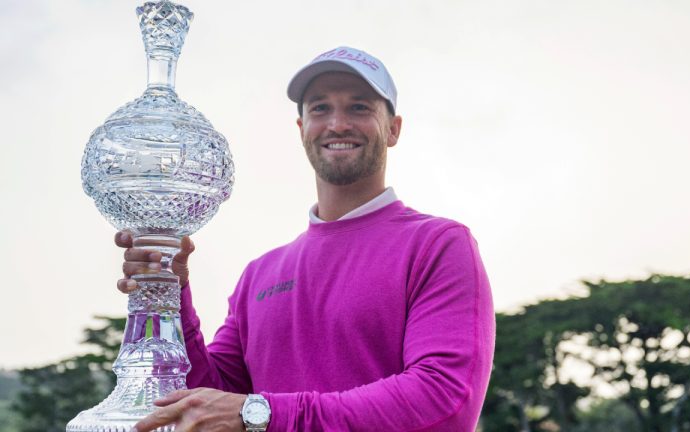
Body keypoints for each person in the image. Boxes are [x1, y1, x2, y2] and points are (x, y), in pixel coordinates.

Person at [116, 46, 495, 432]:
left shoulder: (439, 245)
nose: (337, 124)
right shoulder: (259, 275)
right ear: (301, 130)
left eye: (359, 107)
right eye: (319, 108)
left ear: (393, 128)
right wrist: (169, 292)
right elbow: (209, 397)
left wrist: (263, 415)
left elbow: (445, 399)